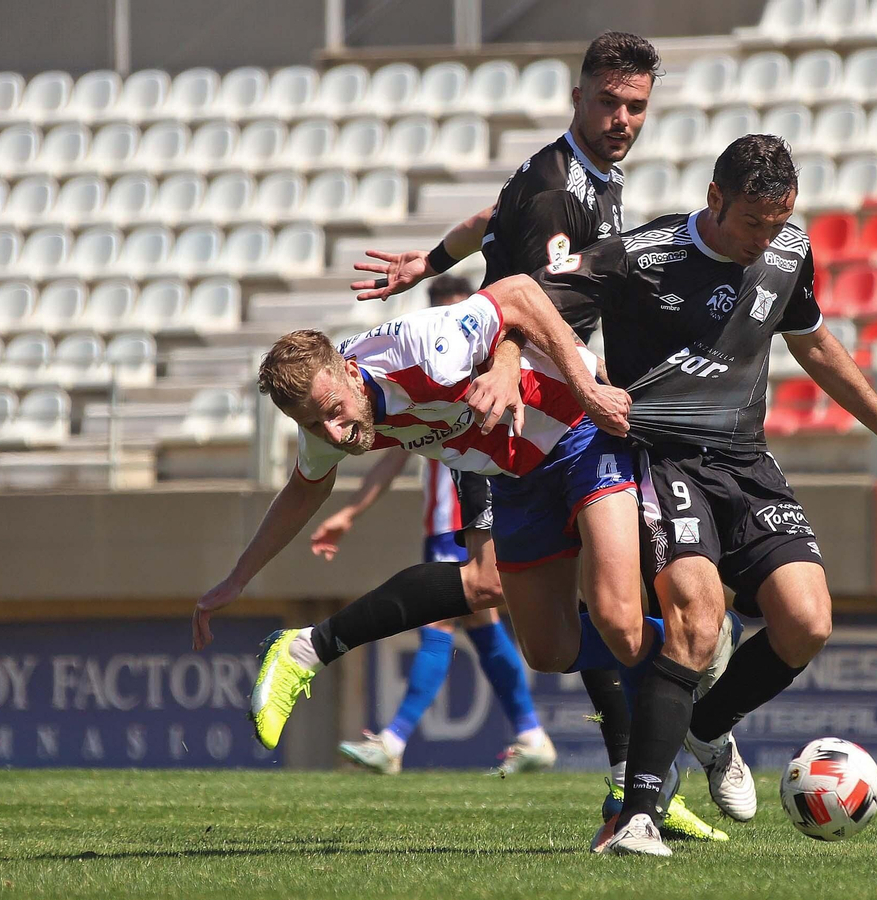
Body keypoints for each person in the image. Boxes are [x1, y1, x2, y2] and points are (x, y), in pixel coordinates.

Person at [514, 134, 877, 856]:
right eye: (754, 221)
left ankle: (707, 726)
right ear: (715, 197)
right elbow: (529, 296)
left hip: (746, 462)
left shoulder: (789, 253)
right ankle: (638, 816)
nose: (766, 237)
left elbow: (813, 343)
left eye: (780, 220)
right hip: (662, 459)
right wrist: (555, 373)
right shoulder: (640, 256)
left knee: (807, 621)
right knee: (696, 616)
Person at [348, 31, 726, 843]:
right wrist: (508, 361)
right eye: (609, 103)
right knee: (545, 639)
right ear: (577, 96)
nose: (623, 119)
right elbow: (521, 292)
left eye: (637, 107)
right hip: (517, 414)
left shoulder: (581, 175)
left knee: (620, 619)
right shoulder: (558, 191)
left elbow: (494, 222)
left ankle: (665, 730)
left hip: (569, 422)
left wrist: (429, 259)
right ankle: (681, 675)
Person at [312, 275, 555, 776]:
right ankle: (531, 734)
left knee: (443, 621)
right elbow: (392, 455)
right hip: (444, 519)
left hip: (469, 514)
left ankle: (395, 740)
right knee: (485, 630)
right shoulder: (412, 387)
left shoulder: (476, 366)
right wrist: (350, 512)